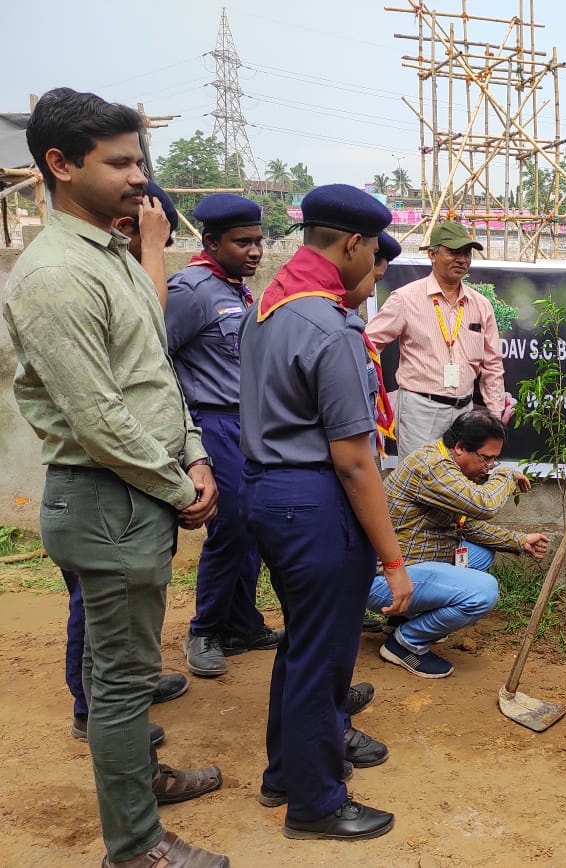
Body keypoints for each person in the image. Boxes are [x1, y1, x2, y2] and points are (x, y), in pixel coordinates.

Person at [4, 88, 226, 867]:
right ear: (60, 165)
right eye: (121, 162)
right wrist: (177, 484)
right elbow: (98, 416)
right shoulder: (56, 274)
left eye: (141, 160)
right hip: (108, 499)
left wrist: (193, 451)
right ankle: (136, 847)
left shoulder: (113, 256)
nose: (141, 177)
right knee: (121, 682)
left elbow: (154, 376)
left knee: (128, 672)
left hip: (139, 494)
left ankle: (143, 785)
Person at [239, 183, 412, 841]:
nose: (370, 267)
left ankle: (285, 773)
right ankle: (313, 803)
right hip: (315, 504)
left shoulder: (271, 307)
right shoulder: (329, 325)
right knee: (323, 660)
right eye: (370, 252)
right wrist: (394, 562)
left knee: (299, 648)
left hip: (270, 494)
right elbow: (354, 459)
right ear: (352, 244)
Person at [63, 181, 187, 744]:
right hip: (101, 483)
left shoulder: (114, 272)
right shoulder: (78, 275)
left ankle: (121, 687)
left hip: (135, 479)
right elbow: (151, 329)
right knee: (95, 601)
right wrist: (153, 250)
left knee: (117, 610)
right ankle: (92, 708)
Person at [165, 192, 284, 679]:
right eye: (242, 243)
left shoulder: (237, 289)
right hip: (212, 423)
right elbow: (155, 357)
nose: (255, 251)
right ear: (211, 242)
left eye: (258, 241)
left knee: (251, 527)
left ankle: (241, 623)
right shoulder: (190, 291)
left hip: (249, 423)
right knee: (229, 528)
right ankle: (205, 629)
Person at [370, 410, 550, 678]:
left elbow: (468, 525)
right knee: (483, 591)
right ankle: (405, 642)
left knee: (480, 555)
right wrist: (506, 475)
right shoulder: (433, 467)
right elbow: (484, 505)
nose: (489, 467)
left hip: (408, 562)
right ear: (460, 448)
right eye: (486, 459)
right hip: (383, 578)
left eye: (494, 460)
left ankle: (402, 618)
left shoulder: (448, 464)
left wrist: (519, 541)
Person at [365, 220, 505, 457]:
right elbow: (366, 346)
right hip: (420, 409)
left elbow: (492, 365)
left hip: (465, 411)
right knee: (419, 481)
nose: (462, 259)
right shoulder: (406, 299)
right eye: (453, 252)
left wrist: (495, 416)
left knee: (459, 483)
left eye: (467, 253)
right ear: (432, 254)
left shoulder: (481, 305)